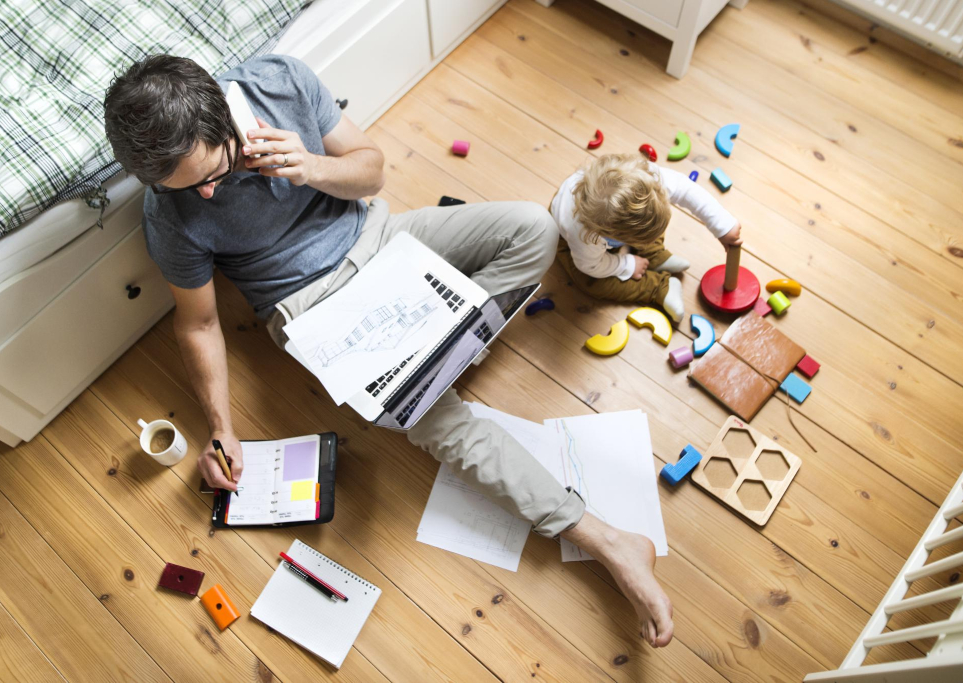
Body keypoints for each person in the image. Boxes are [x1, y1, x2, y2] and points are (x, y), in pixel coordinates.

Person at [104, 54, 674, 646]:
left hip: (382, 238)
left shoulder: (276, 81)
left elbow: (371, 172)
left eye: (212, 172)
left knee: (533, 228)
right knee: (429, 417)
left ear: (224, 117)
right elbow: (197, 324)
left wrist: (311, 167)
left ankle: (430, 358)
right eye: (188, 188)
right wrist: (221, 426)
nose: (208, 191)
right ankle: (604, 538)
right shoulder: (168, 213)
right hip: (313, 308)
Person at [550, 153, 742, 322]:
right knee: (589, 282)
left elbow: (686, 189)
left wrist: (723, 225)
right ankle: (657, 288)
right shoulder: (584, 237)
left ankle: (654, 253)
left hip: (614, 226)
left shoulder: (648, 178)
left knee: (652, 219)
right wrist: (626, 264)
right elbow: (591, 266)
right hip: (575, 244)